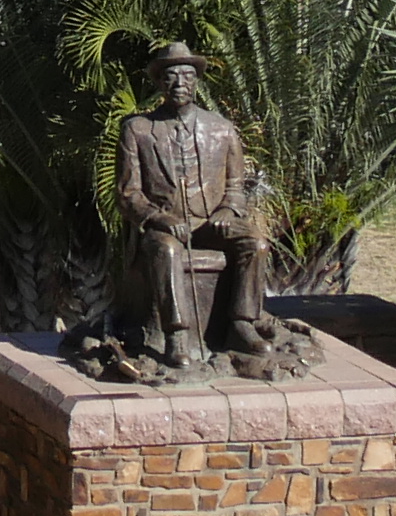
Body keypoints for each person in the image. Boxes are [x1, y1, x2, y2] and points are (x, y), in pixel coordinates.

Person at [106, 41, 282, 376]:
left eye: (187, 76)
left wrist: (227, 213)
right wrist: (160, 218)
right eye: (171, 76)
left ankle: (242, 323)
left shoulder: (221, 128)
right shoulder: (138, 130)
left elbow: (235, 188)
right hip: (162, 228)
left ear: (197, 82)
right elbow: (128, 194)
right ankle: (177, 335)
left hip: (212, 222)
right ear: (159, 83)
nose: (179, 83)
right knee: (167, 251)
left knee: (256, 244)